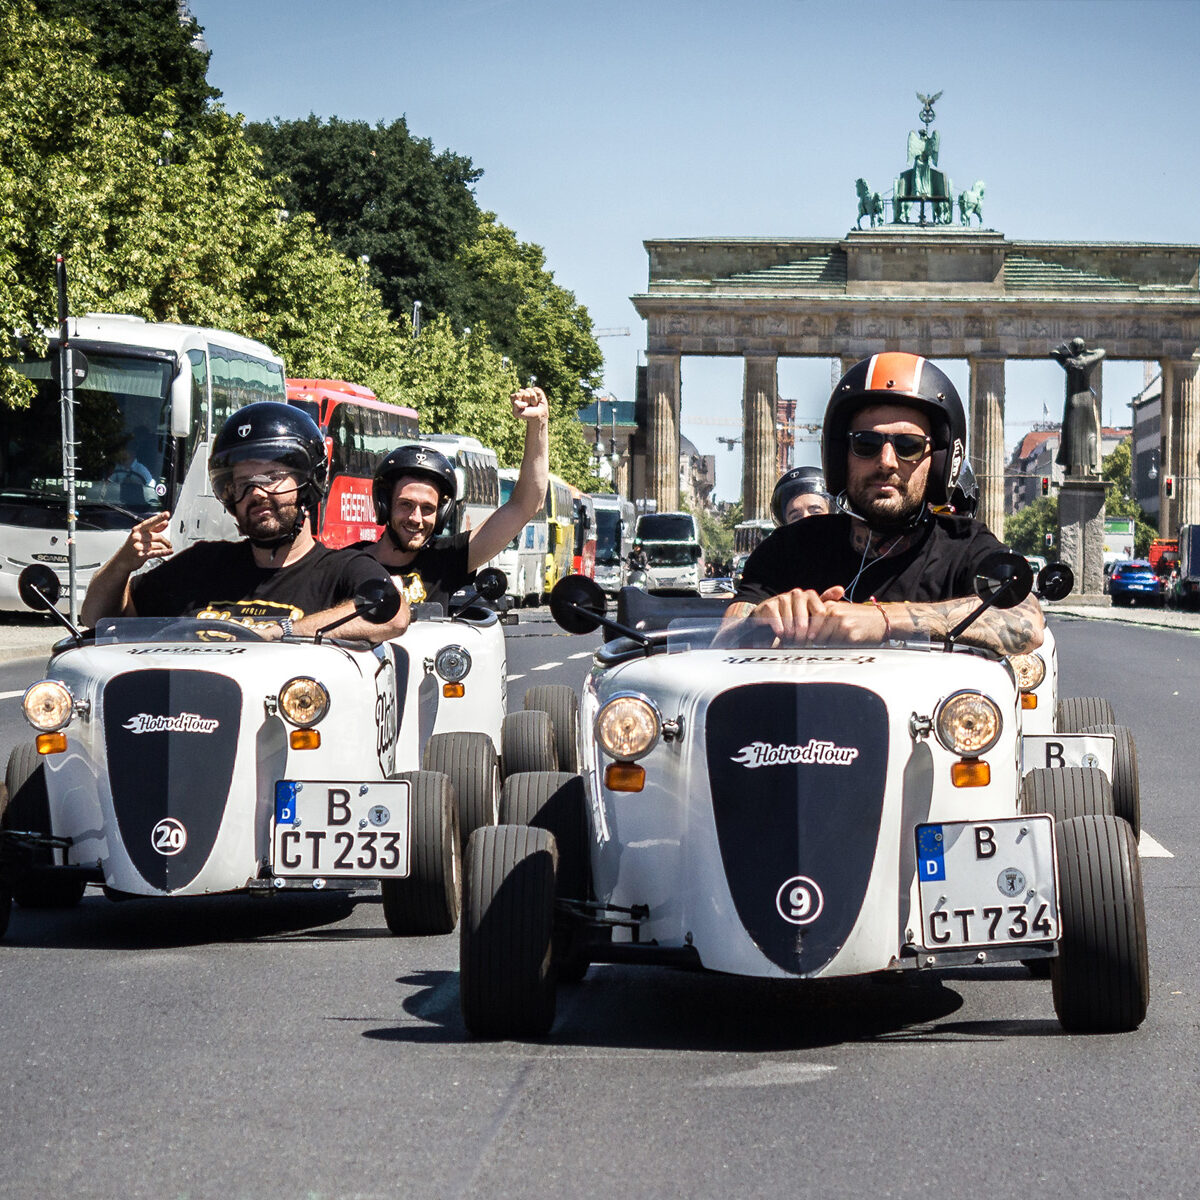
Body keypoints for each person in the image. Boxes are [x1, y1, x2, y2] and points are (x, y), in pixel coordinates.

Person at [721, 352, 1044, 655]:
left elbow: (1026, 621)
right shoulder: (789, 547)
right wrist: (760, 620)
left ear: (941, 462)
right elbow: (722, 639)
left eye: (909, 445)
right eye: (866, 444)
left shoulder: (965, 546)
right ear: (839, 457)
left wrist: (882, 620)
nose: (887, 461)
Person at [80, 402, 408, 643]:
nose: (257, 493)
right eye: (242, 483)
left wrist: (285, 631)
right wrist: (122, 564)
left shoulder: (341, 568)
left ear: (310, 483)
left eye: (273, 477)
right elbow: (98, 618)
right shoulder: (202, 563)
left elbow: (392, 616)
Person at [358, 387, 549, 611]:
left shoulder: (448, 560)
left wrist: (539, 424)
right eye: (406, 504)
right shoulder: (349, 564)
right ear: (384, 504)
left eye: (428, 508)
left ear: (442, 513)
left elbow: (526, 504)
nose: (416, 518)